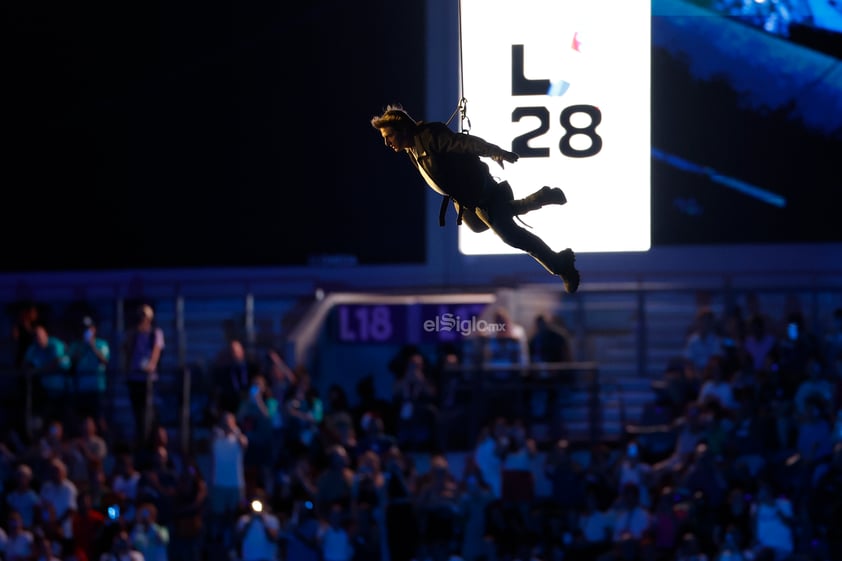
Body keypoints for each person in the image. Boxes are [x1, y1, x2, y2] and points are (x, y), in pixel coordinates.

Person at [370, 104, 580, 293]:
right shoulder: (412, 149)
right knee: (482, 225)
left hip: (481, 192)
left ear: (403, 130)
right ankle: (540, 197)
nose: (387, 143)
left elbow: (464, 143)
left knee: (511, 235)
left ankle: (561, 264)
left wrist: (494, 151)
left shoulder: (429, 136)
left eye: (389, 136)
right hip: (466, 200)